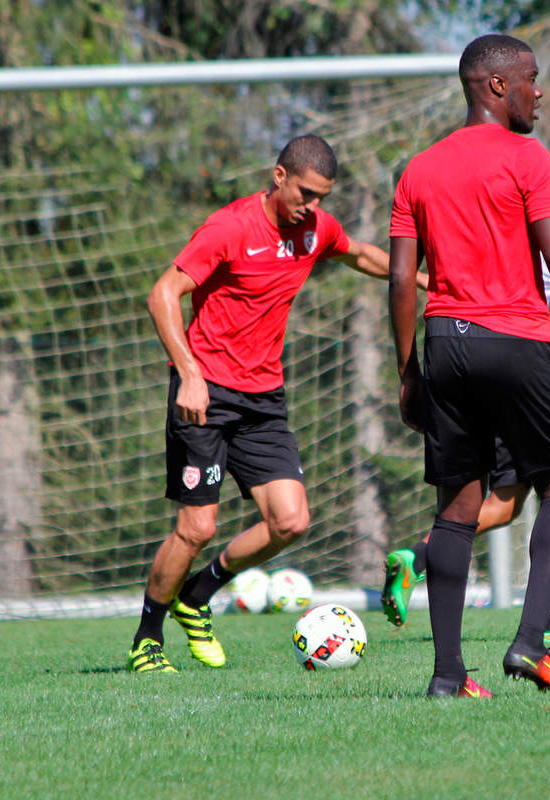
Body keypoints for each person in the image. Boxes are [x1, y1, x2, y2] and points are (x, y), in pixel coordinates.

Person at [128, 134, 415, 673]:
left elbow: (359, 253)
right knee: (197, 528)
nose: (314, 206)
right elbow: (163, 294)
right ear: (279, 176)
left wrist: (420, 278)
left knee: (291, 521)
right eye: (307, 192)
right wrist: (189, 374)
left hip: (263, 397)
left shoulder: (315, 229)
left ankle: (197, 595)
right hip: (206, 393)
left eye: (324, 197)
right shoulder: (230, 227)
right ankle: (147, 638)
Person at [388, 34, 550, 699]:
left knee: (458, 507)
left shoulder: (420, 168)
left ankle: (447, 676)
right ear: (494, 86)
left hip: (447, 346)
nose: (538, 91)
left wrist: (409, 372)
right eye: (530, 79)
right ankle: (527, 643)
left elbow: (402, 280)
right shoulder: (528, 156)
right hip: (517, 339)